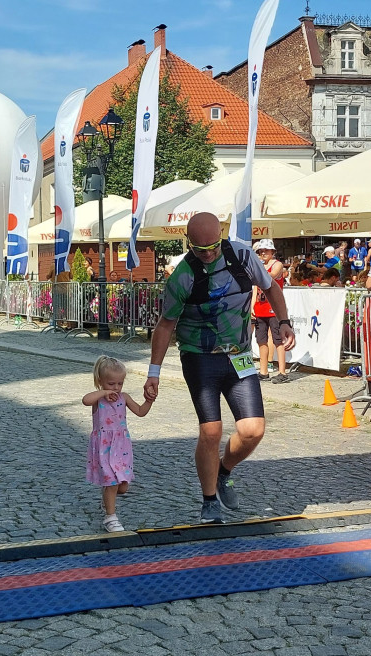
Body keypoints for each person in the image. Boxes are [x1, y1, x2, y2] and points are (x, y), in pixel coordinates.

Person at [144, 212, 296, 525]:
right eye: (201, 250)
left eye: (214, 247)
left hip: (239, 355)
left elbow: (272, 288)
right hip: (199, 357)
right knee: (211, 432)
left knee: (253, 430)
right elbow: (165, 325)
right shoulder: (182, 277)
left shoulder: (242, 256)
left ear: (222, 236)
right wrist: (154, 373)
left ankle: (224, 471)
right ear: (190, 244)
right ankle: (209, 500)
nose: (209, 254)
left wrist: (283, 322)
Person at [83, 355, 152, 533]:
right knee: (112, 482)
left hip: (121, 447)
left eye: (119, 383)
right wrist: (104, 393)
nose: (116, 388)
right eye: (111, 384)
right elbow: (86, 400)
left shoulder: (124, 397)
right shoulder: (98, 400)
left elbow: (140, 411)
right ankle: (110, 518)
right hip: (104, 446)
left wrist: (149, 401)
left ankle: (107, 500)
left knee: (122, 486)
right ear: (100, 381)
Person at [251, 239, 288, 384]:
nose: (263, 253)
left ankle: (282, 372)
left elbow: (271, 276)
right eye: (261, 251)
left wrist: (257, 269)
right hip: (260, 308)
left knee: (278, 340)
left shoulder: (277, 264)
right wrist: (252, 306)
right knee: (261, 340)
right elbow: (255, 288)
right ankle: (263, 371)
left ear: (272, 252)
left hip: (273, 309)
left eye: (266, 250)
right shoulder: (259, 265)